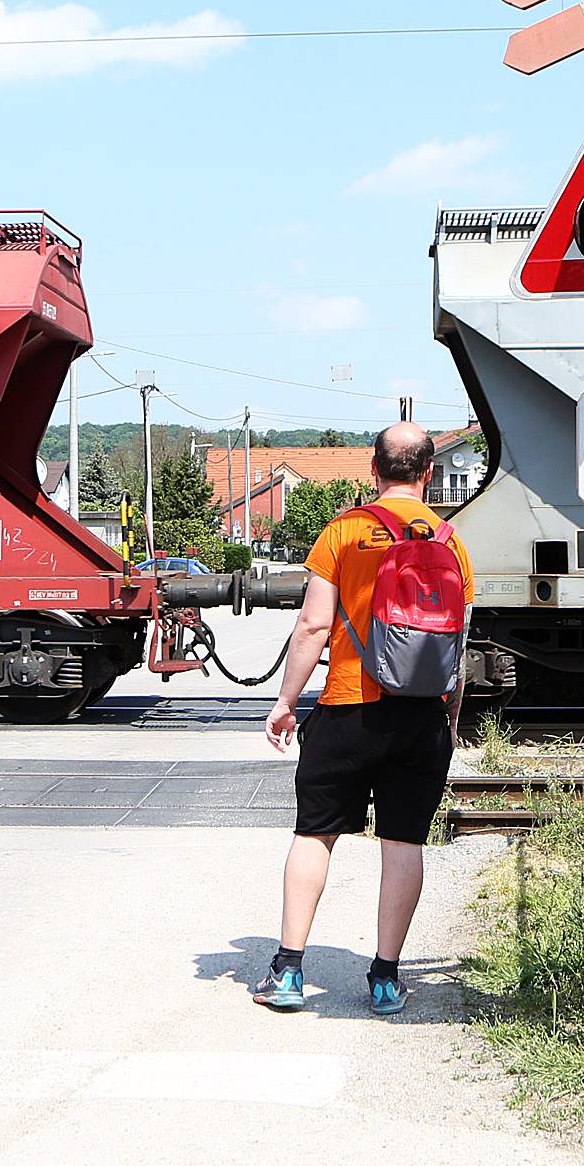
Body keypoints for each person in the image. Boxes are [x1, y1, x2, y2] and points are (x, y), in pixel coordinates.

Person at [255, 423, 473, 1015]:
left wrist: (285, 703)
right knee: (403, 842)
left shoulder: (344, 533)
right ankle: (384, 978)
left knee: (315, 833)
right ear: (428, 473)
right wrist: (448, 717)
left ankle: (289, 972)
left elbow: (312, 627)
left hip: (349, 706)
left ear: (373, 469)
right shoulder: (451, 542)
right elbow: (456, 644)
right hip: (421, 716)